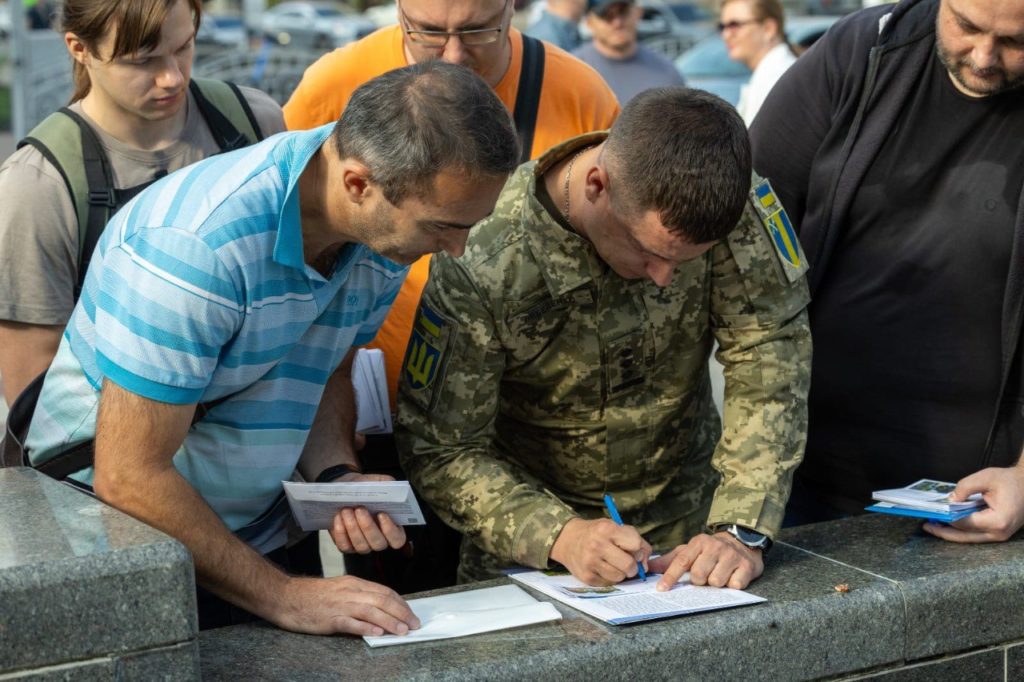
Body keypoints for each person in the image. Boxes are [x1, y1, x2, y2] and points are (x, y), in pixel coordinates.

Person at [22, 61, 521, 633]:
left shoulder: (382, 234)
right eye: (441, 226)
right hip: (122, 553)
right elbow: (129, 476)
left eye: (468, 226)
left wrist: (335, 477)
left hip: (253, 538)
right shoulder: (194, 248)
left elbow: (324, 366)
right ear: (358, 184)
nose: (455, 249)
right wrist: (286, 597)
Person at [396, 87, 812, 590]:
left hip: (692, 545)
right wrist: (560, 535)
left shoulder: (728, 198)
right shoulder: (487, 254)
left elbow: (769, 347)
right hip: (535, 557)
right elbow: (441, 448)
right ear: (597, 184)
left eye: (684, 262)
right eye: (647, 250)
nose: (664, 277)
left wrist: (741, 526)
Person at [751, 0, 1024, 543]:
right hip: (808, 477)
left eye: (1016, 42)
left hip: (984, 499)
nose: (984, 56)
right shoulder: (864, 52)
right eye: (966, 26)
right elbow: (747, 216)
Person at [283, 0, 619, 411]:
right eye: (428, 31)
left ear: (512, 8)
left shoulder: (582, 97)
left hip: (515, 419)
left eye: (478, 30)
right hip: (359, 405)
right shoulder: (333, 85)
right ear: (399, 11)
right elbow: (284, 241)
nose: (454, 55)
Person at [0, 0, 284, 407]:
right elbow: (38, 407)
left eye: (184, 46)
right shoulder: (37, 186)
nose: (172, 77)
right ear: (80, 48)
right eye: (142, 61)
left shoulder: (254, 124)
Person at [572, 0, 686, 105]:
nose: (617, 23)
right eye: (606, 15)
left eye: (623, 12)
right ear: (589, 22)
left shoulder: (666, 72)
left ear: (638, 13)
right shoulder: (574, 71)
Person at [719, 0, 796, 126]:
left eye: (734, 25)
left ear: (768, 29)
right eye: (722, 27)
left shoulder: (776, 79)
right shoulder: (770, 74)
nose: (725, 35)